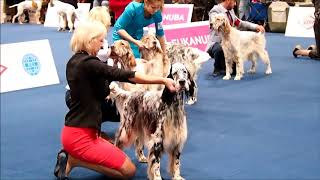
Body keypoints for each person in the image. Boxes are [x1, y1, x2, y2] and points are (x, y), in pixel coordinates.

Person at [54, 21, 177, 180]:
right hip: (81, 136)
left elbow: (104, 81)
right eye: (100, 40)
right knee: (128, 172)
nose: (103, 45)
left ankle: (79, 153)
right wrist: (162, 80)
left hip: (75, 130)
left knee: (116, 150)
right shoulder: (90, 64)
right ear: (90, 40)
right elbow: (126, 75)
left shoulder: (75, 61)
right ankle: (75, 160)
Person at [206, 0, 265, 77]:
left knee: (234, 71)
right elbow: (213, 21)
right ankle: (217, 67)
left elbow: (240, 23)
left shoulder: (231, 12)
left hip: (230, 42)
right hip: (216, 43)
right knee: (221, 48)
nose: (235, 4)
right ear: (228, 1)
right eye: (234, 2)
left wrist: (255, 26)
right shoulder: (215, 10)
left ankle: (226, 67)